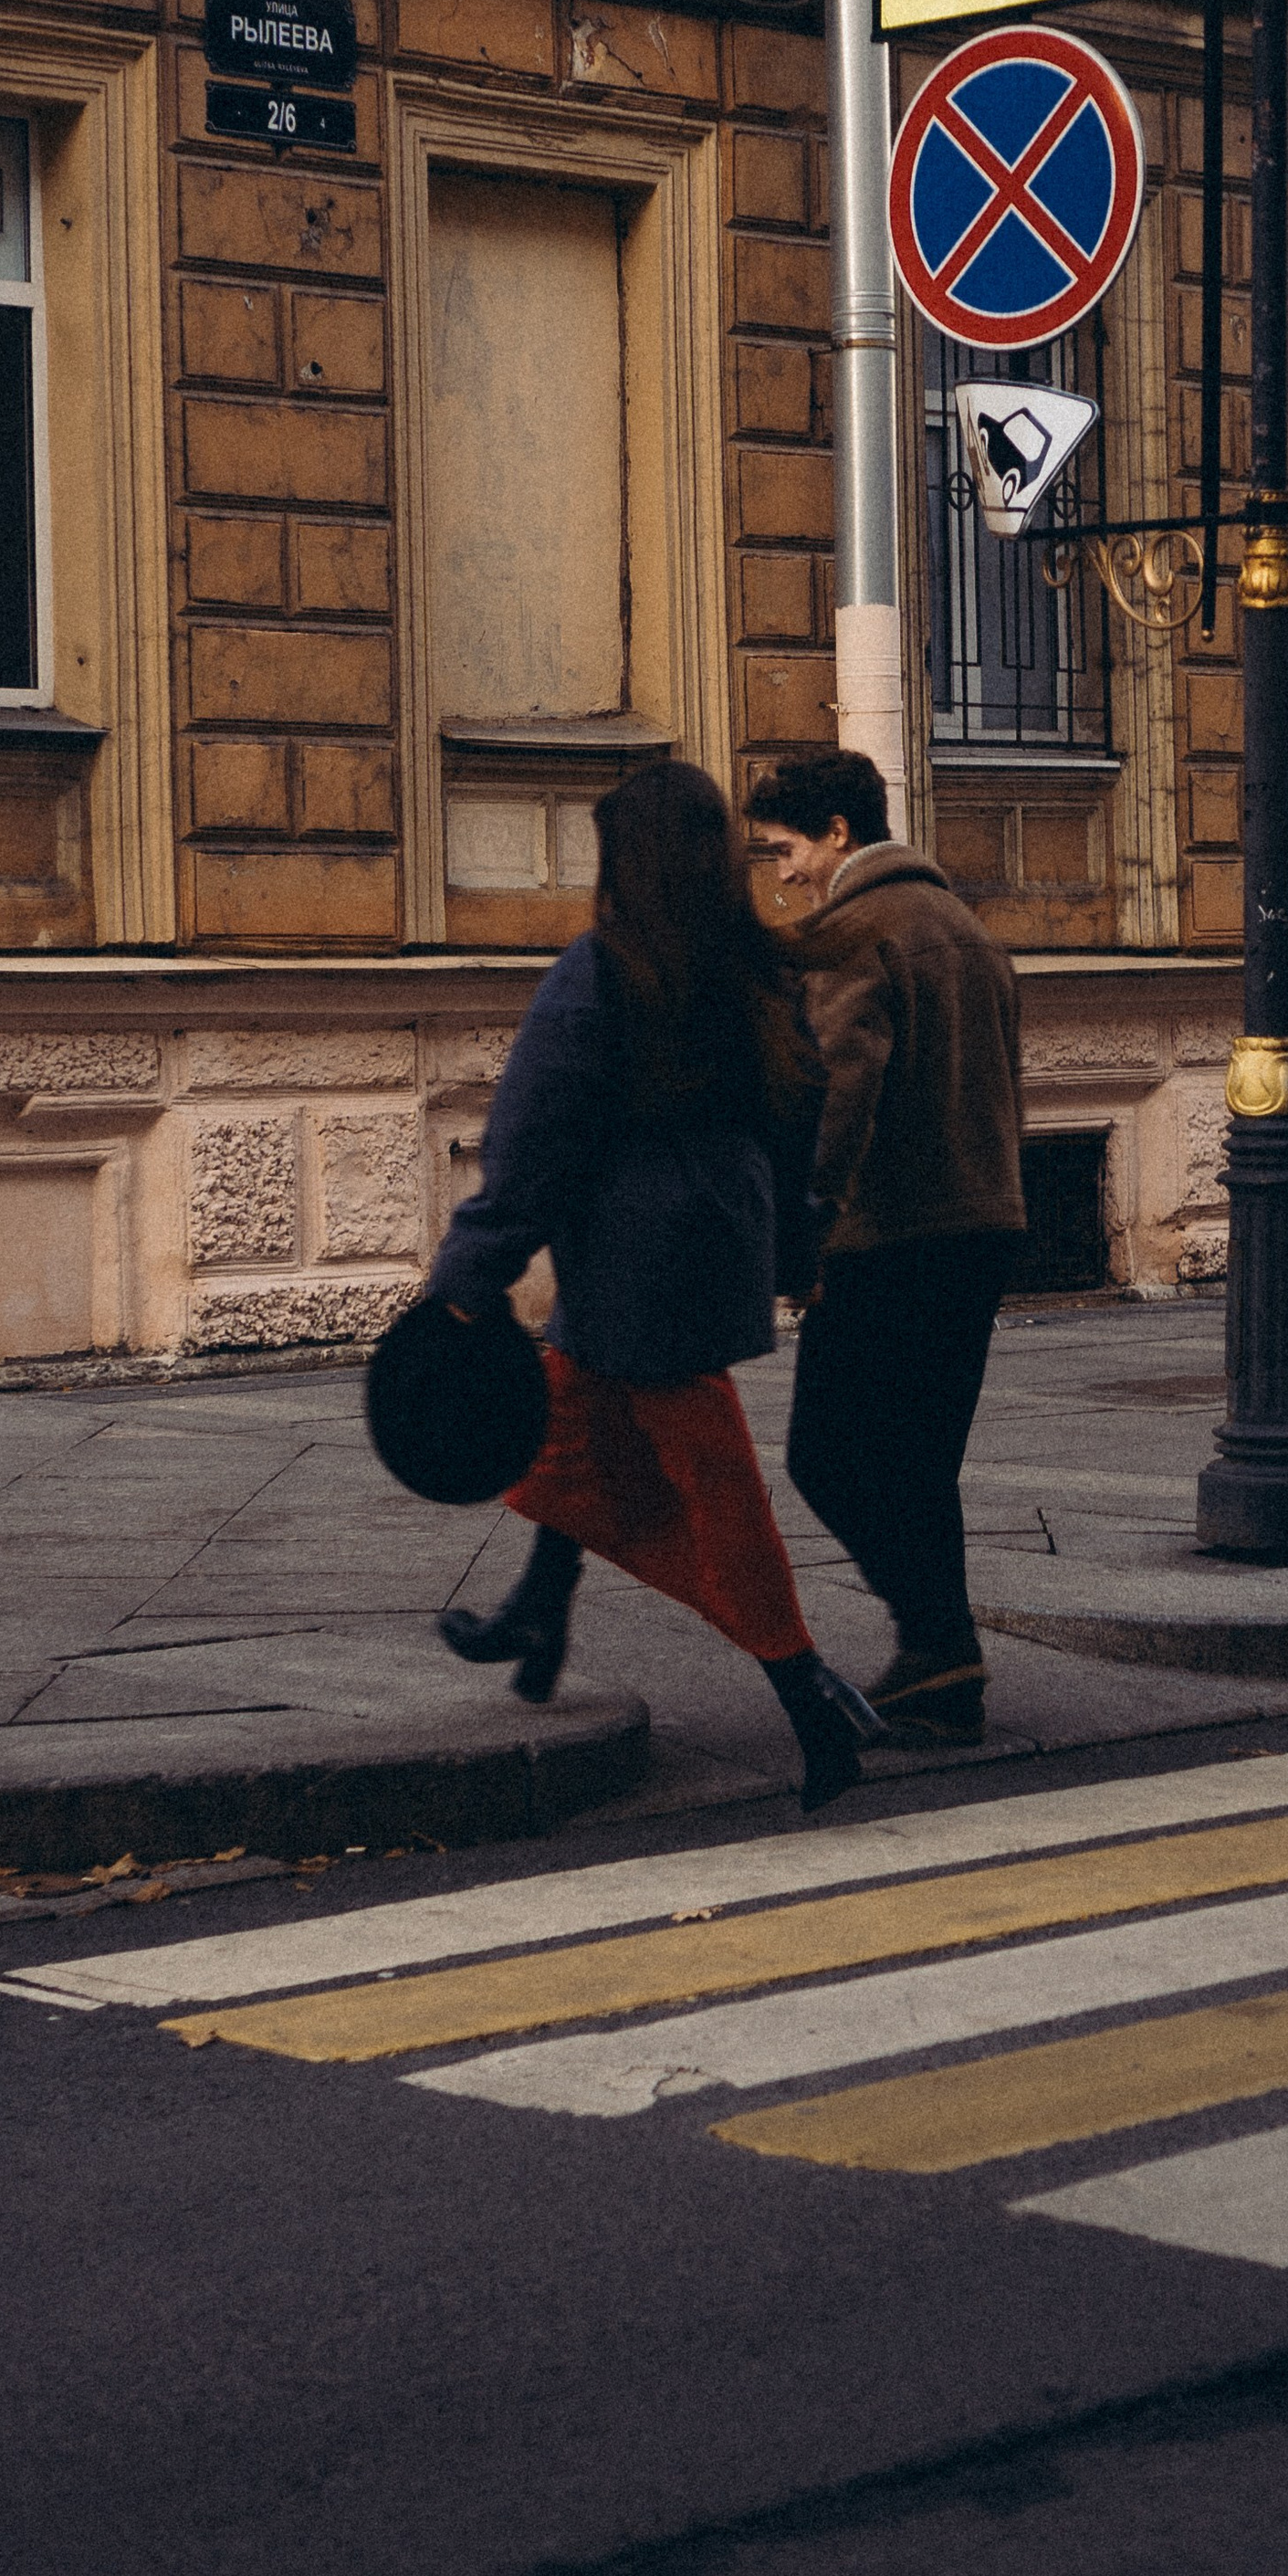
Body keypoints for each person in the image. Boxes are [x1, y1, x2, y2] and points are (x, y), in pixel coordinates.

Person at [428, 760, 883, 1815]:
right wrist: (791, 1249)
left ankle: (805, 1685)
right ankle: (537, 1615)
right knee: (568, 1440)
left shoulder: (599, 973)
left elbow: (531, 1140)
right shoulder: (753, 967)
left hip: (629, 1257)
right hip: (716, 1238)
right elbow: (798, 1115)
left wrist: (467, 1274)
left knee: (713, 1495)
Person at [746, 750, 1026, 1747]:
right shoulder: (963, 929)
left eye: (784, 850)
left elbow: (839, 1087)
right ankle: (942, 1670)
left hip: (888, 1234)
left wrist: (802, 1228)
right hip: (982, 1228)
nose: (779, 875)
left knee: (825, 1455)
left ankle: (938, 1640)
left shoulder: (854, 933)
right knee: (916, 1462)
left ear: (837, 834)